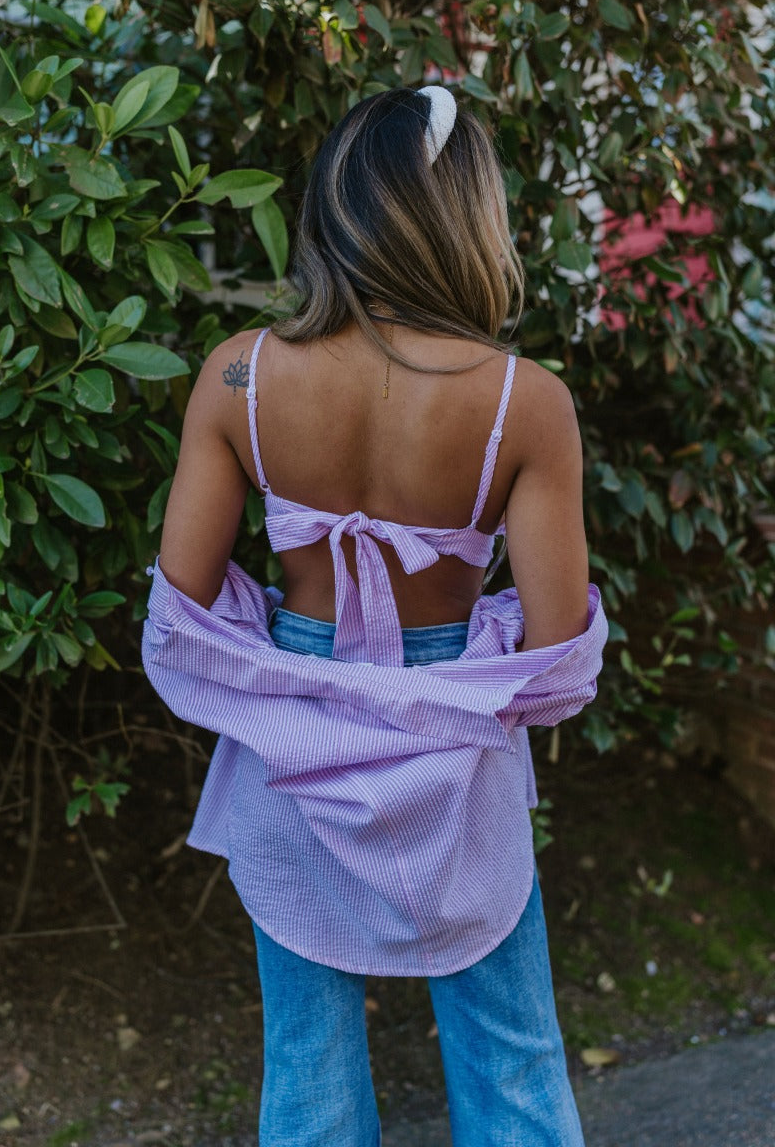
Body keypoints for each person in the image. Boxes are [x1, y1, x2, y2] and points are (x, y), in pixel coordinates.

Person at [143, 86, 607, 1147]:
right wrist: (464, 661)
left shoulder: (236, 377)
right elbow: (554, 659)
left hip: (291, 738)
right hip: (455, 734)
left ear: (331, 209)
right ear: (466, 219)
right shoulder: (521, 402)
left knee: (305, 1056)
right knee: (511, 1045)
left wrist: (290, 669)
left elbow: (184, 603)